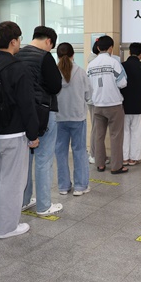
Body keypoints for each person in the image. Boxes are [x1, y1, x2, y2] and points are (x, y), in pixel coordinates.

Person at [0, 21, 39, 238]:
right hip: (14, 133)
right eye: (19, 39)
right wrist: (33, 134)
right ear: (13, 41)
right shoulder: (18, 67)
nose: (20, 43)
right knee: (13, 182)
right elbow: (27, 104)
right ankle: (7, 227)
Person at [17, 26, 63, 217]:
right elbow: (55, 86)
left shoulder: (18, 54)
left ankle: (24, 200)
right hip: (44, 112)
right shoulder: (45, 57)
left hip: (22, 113)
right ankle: (44, 205)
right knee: (43, 159)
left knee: (25, 160)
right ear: (49, 41)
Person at [86, 35, 128, 174]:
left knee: (99, 135)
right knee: (116, 136)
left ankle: (100, 164)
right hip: (114, 104)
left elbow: (88, 85)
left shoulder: (90, 65)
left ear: (98, 47)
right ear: (111, 48)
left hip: (97, 104)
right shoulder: (114, 63)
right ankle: (116, 166)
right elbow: (123, 83)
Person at [55, 43, 91, 196]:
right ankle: (80, 187)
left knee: (60, 152)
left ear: (57, 55)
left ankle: (63, 186)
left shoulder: (53, 73)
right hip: (77, 118)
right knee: (80, 151)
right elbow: (89, 96)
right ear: (73, 54)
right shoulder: (81, 72)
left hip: (58, 118)